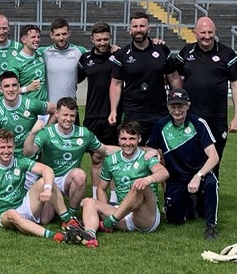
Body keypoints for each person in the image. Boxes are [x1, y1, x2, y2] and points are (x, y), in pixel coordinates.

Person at [0, 130, 85, 245]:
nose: (6, 151)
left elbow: (46, 169)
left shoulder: (19, 160)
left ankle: (68, 221)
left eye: (9, 147)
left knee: (44, 181)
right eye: (2, 147)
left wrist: (48, 188)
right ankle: (56, 236)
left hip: (24, 204)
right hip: (5, 213)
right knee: (12, 214)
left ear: (14, 146)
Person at [22, 97, 120, 222]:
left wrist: (135, 149)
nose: (68, 119)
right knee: (45, 220)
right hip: (50, 178)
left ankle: (72, 214)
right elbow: (28, 152)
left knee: (80, 175)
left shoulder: (83, 134)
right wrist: (32, 133)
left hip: (69, 179)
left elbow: (105, 150)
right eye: (65, 115)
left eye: (72, 116)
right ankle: (57, 206)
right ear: (56, 114)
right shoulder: (47, 132)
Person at [79, 121, 169, 247]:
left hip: (145, 217)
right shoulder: (111, 160)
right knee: (88, 201)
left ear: (139, 139)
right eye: (124, 139)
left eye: (132, 139)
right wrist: (103, 209)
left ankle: (107, 223)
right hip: (123, 214)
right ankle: (90, 235)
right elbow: (101, 188)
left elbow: (163, 173)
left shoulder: (146, 156)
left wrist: (147, 179)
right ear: (118, 140)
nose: (128, 143)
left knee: (139, 185)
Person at [147, 89, 221, 240]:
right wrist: (153, 152)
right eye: (173, 106)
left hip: (200, 173)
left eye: (180, 106)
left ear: (188, 105)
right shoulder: (161, 125)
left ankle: (211, 226)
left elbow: (214, 157)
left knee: (211, 184)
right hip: (176, 178)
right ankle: (190, 204)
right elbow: (150, 147)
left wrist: (198, 176)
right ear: (168, 107)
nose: (177, 110)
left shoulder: (199, 124)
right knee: (174, 219)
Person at [175, 16, 237, 177]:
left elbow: (235, 85)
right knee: (190, 159)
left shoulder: (227, 53)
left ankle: (211, 197)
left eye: (210, 32)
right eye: (203, 32)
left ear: (215, 32)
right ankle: (192, 197)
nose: (207, 36)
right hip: (190, 117)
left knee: (214, 159)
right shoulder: (186, 52)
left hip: (216, 118)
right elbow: (173, 76)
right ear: (195, 33)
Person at [109, 11, 182, 143]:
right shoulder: (122, 54)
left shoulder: (162, 50)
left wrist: (180, 100)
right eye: (135, 27)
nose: (138, 30)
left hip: (159, 112)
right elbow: (116, 84)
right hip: (133, 113)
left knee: (161, 153)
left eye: (142, 26)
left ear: (149, 29)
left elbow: (174, 78)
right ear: (129, 29)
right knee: (133, 152)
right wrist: (113, 110)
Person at [77, 22, 120, 198]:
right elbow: (75, 80)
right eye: (98, 39)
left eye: (105, 39)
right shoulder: (85, 58)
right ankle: (95, 196)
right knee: (96, 158)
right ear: (92, 39)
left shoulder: (119, 55)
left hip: (113, 113)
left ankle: (115, 198)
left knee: (114, 158)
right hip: (93, 114)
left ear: (110, 37)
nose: (102, 42)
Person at [0, 71, 56, 156]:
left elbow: (56, 109)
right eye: (6, 86)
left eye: (14, 85)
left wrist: (45, 132)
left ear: (19, 86)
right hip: (10, 159)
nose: (11, 89)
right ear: (0, 89)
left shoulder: (31, 104)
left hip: (32, 157)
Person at [42, 18, 85, 104]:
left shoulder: (80, 51)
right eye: (58, 35)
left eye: (64, 34)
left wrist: (112, 48)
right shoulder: (43, 52)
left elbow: (98, 54)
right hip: (50, 107)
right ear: (51, 35)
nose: (61, 38)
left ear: (69, 33)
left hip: (70, 107)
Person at [12, 24, 48, 103]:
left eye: (38, 37)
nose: (37, 39)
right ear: (24, 40)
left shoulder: (41, 53)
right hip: (28, 107)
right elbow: (11, 90)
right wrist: (28, 88)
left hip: (44, 106)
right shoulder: (15, 62)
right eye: (33, 37)